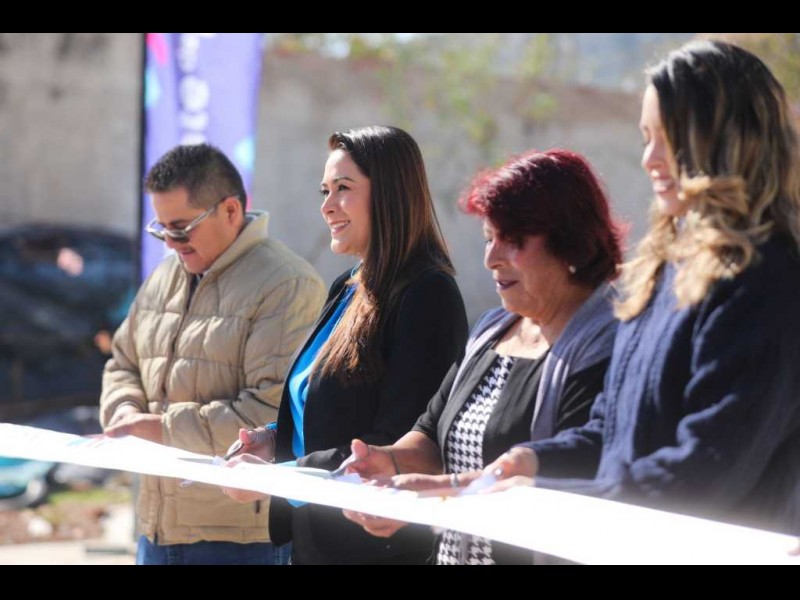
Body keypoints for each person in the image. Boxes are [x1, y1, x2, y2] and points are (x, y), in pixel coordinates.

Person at [485, 41, 800, 538]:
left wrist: (539, 500)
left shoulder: (766, 279)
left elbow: (707, 471)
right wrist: (532, 461)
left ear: (726, 140)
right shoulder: (663, 269)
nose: (650, 159)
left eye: (668, 138)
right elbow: (612, 435)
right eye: (646, 137)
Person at [341, 149, 624, 565]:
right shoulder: (492, 329)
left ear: (571, 242)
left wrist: (439, 491)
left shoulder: (610, 341)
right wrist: (389, 464)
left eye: (513, 240)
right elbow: (433, 432)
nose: (491, 258)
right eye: (490, 238)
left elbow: (571, 474)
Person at [224, 126, 469, 565]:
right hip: (312, 539)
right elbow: (335, 411)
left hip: (374, 548)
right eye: (325, 190)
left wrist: (279, 477)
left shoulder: (427, 294)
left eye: (343, 188)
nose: (327, 206)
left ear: (389, 194)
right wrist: (274, 440)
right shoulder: (348, 285)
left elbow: (400, 440)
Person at [100, 144, 326, 566]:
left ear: (231, 210)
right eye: (162, 229)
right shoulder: (164, 276)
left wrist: (159, 430)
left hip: (240, 541)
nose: (171, 243)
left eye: (181, 228)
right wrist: (124, 413)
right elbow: (123, 363)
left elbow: (272, 411)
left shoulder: (287, 285)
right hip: (156, 530)